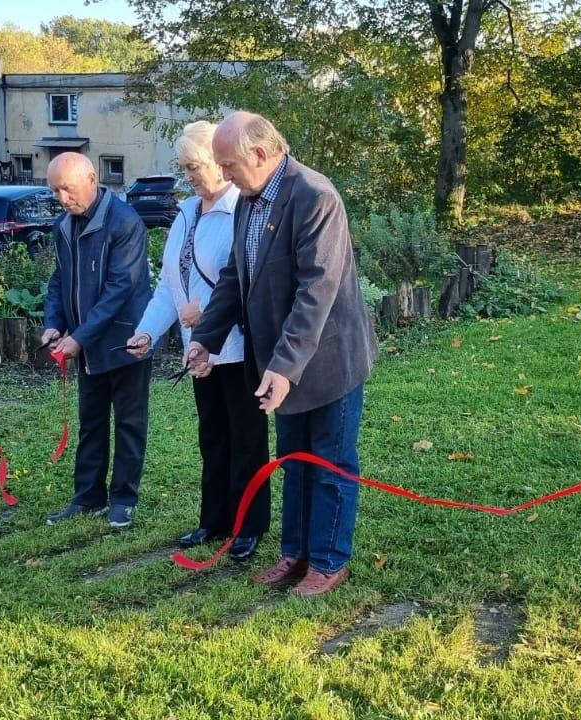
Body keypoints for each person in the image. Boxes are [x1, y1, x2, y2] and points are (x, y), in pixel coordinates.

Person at [185, 111, 378, 597]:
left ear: (260, 154)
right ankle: (295, 552)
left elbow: (317, 291)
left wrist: (284, 366)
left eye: (229, 163)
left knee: (331, 462)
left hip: (329, 359)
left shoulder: (315, 196)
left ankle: (329, 560)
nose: (224, 174)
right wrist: (205, 338)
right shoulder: (249, 200)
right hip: (280, 362)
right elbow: (235, 276)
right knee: (293, 459)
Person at [127, 120, 269, 561]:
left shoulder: (241, 212)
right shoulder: (186, 213)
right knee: (213, 438)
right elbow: (171, 285)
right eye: (184, 167)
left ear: (219, 164)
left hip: (238, 348)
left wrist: (206, 317)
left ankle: (249, 526)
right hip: (199, 352)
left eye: (194, 166)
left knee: (246, 440)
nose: (187, 175)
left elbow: (247, 286)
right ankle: (214, 520)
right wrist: (148, 330)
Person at [39, 153, 153, 529]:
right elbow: (59, 280)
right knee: (91, 422)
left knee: (129, 423)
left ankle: (123, 499)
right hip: (85, 345)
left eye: (67, 188)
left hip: (125, 341)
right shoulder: (63, 225)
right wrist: (55, 324)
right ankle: (87, 497)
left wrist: (79, 337)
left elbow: (121, 288)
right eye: (55, 189)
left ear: (91, 178)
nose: (61, 197)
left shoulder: (125, 222)